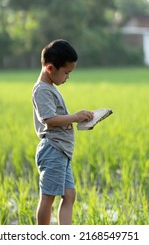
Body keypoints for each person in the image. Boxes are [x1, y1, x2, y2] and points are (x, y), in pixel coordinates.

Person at [32, 39, 93, 225]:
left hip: (62, 152)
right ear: (50, 69)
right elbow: (49, 120)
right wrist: (75, 117)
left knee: (69, 195)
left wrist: (78, 120)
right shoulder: (41, 90)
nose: (67, 77)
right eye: (66, 73)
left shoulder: (49, 87)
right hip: (52, 150)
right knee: (48, 197)